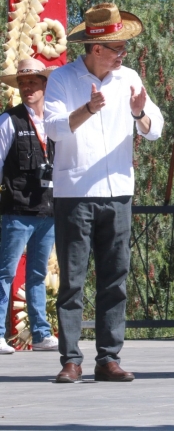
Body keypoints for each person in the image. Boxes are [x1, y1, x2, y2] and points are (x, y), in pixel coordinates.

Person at [44, 3, 164, 382]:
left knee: (116, 277)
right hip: (74, 191)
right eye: (116, 48)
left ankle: (109, 357)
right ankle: (71, 360)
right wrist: (88, 109)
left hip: (118, 193)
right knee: (74, 279)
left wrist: (138, 113)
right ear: (96, 48)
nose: (122, 54)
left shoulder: (129, 77)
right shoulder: (62, 78)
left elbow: (155, 128)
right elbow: (54, 128)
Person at [0, 59, 58, 354]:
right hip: (16, 210)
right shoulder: (9, 120)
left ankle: (41, 333)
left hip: (48, 210)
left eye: (33, 82)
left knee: (37, 274)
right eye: (22, 84)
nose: (27, 88)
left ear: (45, 85)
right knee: (5, 273)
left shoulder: (56, 120)